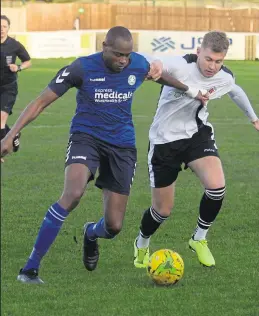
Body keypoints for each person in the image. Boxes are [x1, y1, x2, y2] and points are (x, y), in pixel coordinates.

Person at [1, 26, 205, 284]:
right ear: (104, 46)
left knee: (114, 225)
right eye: (118, 54)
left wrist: (191, 91)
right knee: (72, 194)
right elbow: (41, 101)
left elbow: (161, 76)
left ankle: (91, 233)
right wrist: (11, 135)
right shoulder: (81, 68)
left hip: (122, 146)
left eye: (127, 56)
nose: (123, 61)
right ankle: (30, 268)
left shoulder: (137, 64)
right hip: (86, 138)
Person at [133, 31, 259, 269]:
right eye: (209, 59)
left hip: (196, 135)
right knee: (162, 211)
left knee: (217, 187)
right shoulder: (181, 65)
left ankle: (199, 238)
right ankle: (142, 242)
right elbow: (152, 60)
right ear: (199, 51)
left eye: (218, 61)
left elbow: (235, 90)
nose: (213, 66)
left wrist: (253, 118)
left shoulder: (223, 76)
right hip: (164, 142)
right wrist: (156, 65)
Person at [0, 15, 32, 152]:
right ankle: (14, 135)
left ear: (8, 28)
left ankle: (2, 152)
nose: (1, 29)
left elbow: (28, 61)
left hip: (8, 87)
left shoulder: (14, 45)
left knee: (1, 118)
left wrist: (18, 67)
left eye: (4, 26)